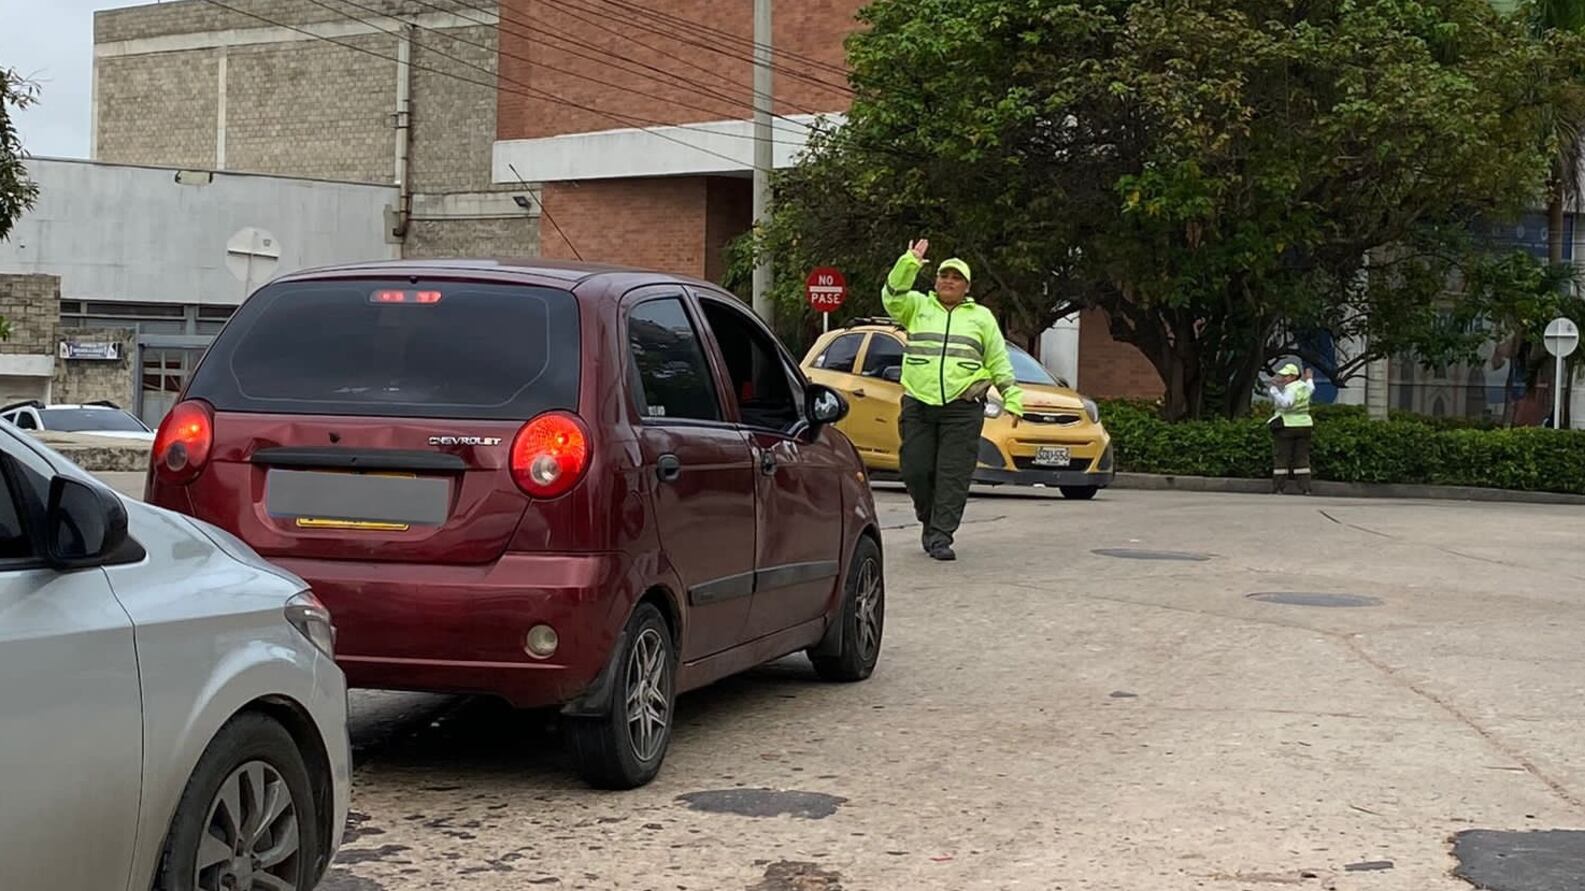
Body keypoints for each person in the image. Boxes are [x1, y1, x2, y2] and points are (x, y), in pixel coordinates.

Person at [882, 238, 1024, 560]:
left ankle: (941, 536)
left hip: (963, 407)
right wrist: (909, 263)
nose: (948, 281)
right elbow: (891, 296)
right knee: (915, 469)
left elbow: (998, 361)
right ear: (935, 281)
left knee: (953, 474)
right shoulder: (916, 306)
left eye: (956, 278)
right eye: (943, 276)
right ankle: (929, 519)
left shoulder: (982, 318)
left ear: (967, 287)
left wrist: (1012, 397)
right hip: (919, 404)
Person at [1267, 362, 1316, 494]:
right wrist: (1309, 378)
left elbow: (1287, 403)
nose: (1283, 378)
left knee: (1282, 457)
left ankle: (1279, 487)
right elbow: (1311, 388)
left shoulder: (1291, 389)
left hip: (1287, 426)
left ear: (1294, 376)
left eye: (1286, 376)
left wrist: (1274, 391)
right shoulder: (1303, 386)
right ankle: (1305, 488)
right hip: (1305, 425)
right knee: (1302, 457)